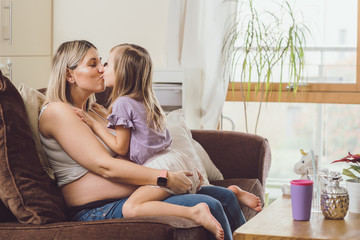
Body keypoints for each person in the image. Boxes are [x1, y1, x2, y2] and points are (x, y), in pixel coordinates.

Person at [38, 40, 247, 240]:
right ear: (69, 74)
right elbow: (105, 166)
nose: (102, 69)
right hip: (98, 208)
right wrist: (165, 177)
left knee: (226, 198)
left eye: (101, 62)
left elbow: (136, 148)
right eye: (93, 64)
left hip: (139, 191)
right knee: (209, 204)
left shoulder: (96, 111)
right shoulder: (58, 112)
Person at [74, 43, 262, 220]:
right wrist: (104, 113)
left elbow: (121, 147)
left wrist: (94, 125)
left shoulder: (121, 104)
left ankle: (195, 212)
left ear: (122, 73)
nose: (102, 68)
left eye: (107, 64)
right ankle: (231, 193)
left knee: (133, 206)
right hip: (177, 159)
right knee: (201, 191)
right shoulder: (146, 100)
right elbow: (138, 131)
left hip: (157, 167)